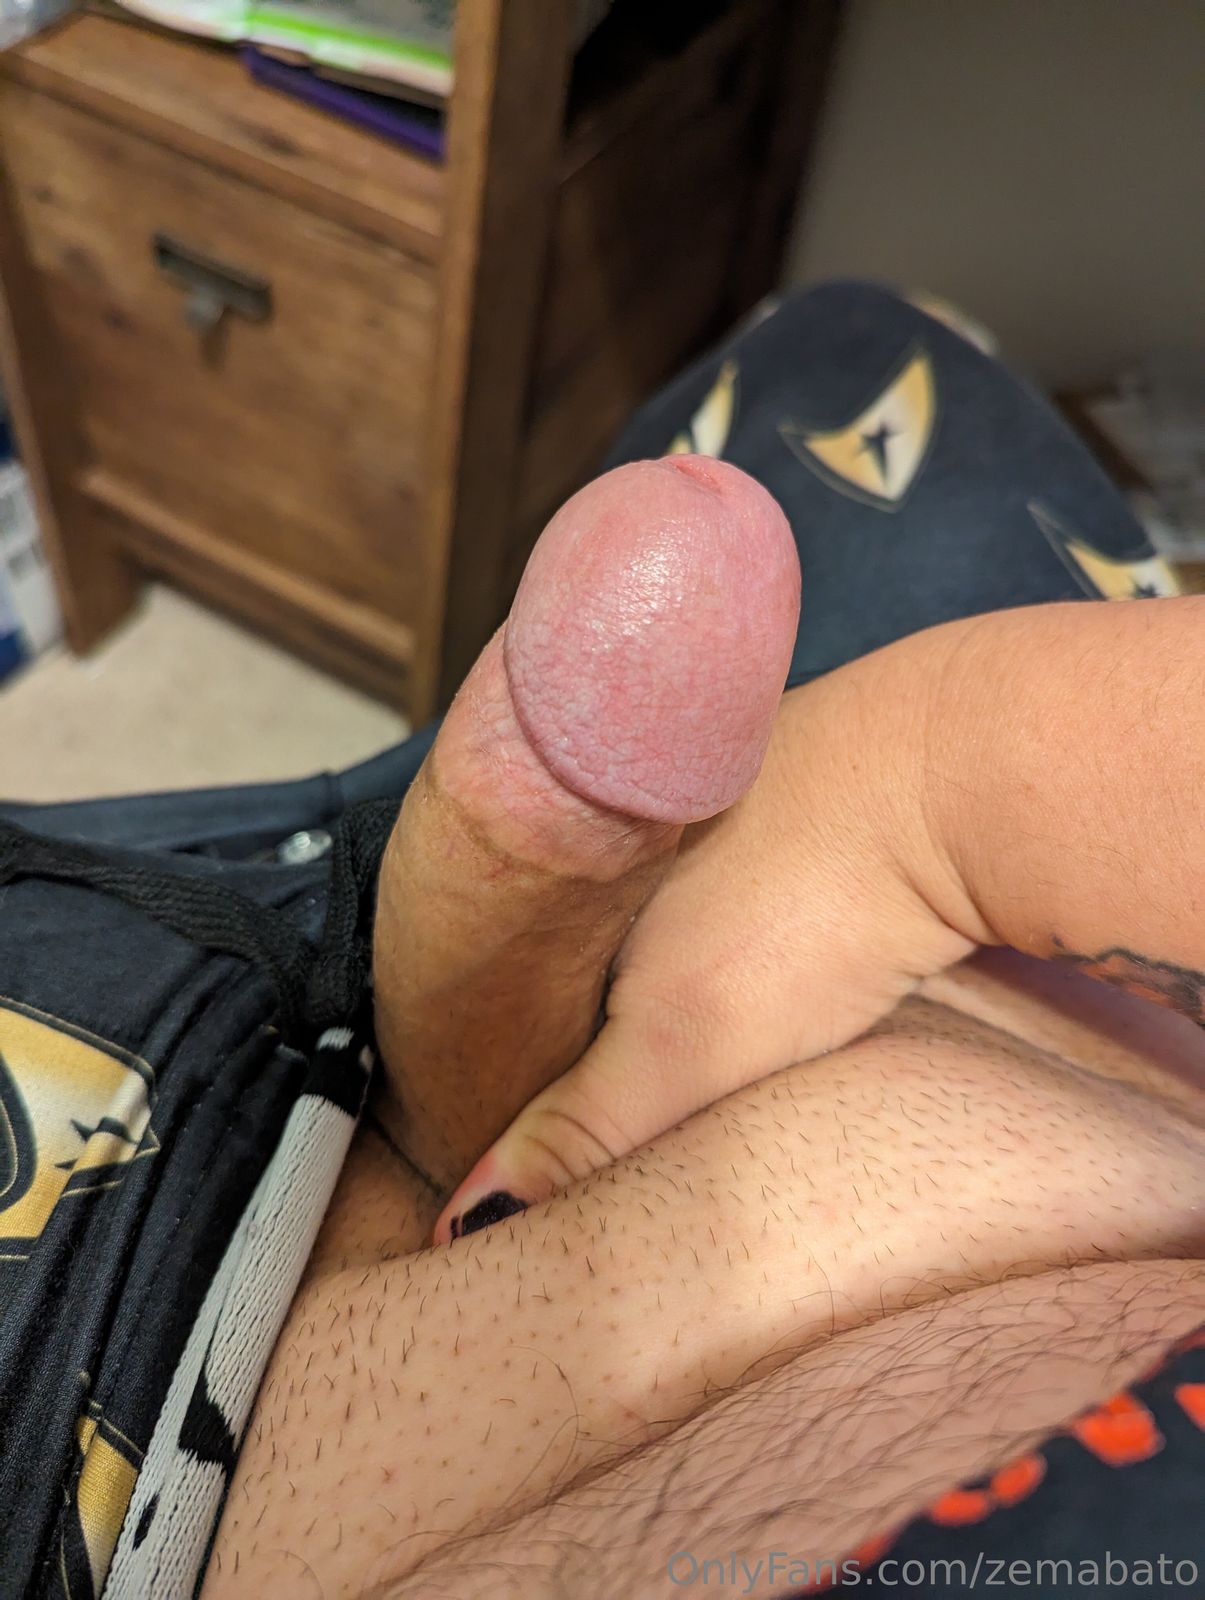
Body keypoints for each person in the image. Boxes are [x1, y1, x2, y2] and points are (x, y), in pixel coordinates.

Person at [1, 283, 1199, 1599]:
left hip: (102, 1388)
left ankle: (388, 973)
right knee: (875, 351)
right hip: (978, 941)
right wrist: (914, 793)